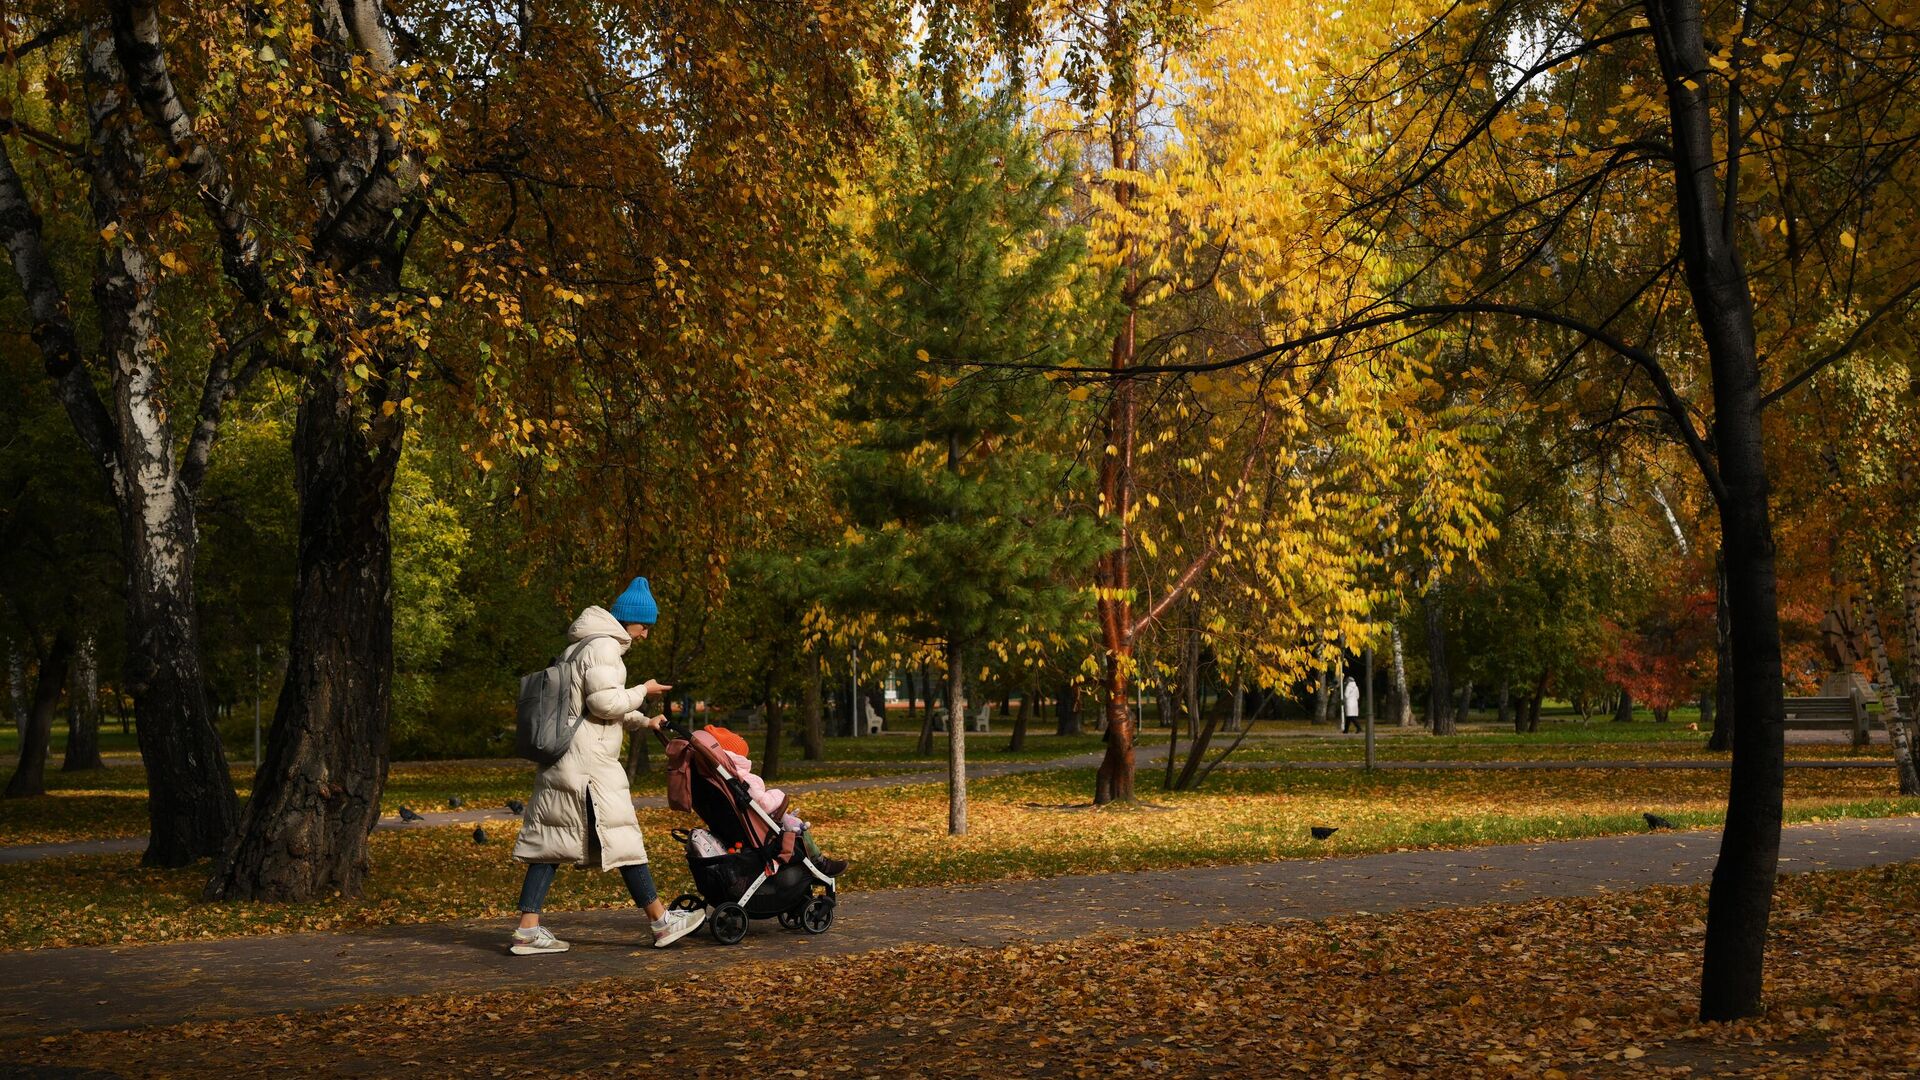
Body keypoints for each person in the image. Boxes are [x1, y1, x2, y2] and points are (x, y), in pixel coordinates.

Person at [508, 577, 706, 955]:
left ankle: (527, 930)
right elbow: (604, 705)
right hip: (590, 766)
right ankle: (662, 923)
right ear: (628, 620)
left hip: (567, 761)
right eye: (644, 626)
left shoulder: (579, 646)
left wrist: (643, 720)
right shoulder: (603, 647)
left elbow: (593, 706)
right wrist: (643, 691)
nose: (645, 635)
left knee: (553, 845)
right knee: (624, 840)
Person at [700, 725, 848, 877]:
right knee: (798, 828)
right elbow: (763, 803)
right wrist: (777, 795)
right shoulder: (741, 777)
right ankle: (819, 863)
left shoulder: (715, 778)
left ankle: (815, 864)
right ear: (737, 756)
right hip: (758, 830)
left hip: (740, 827)